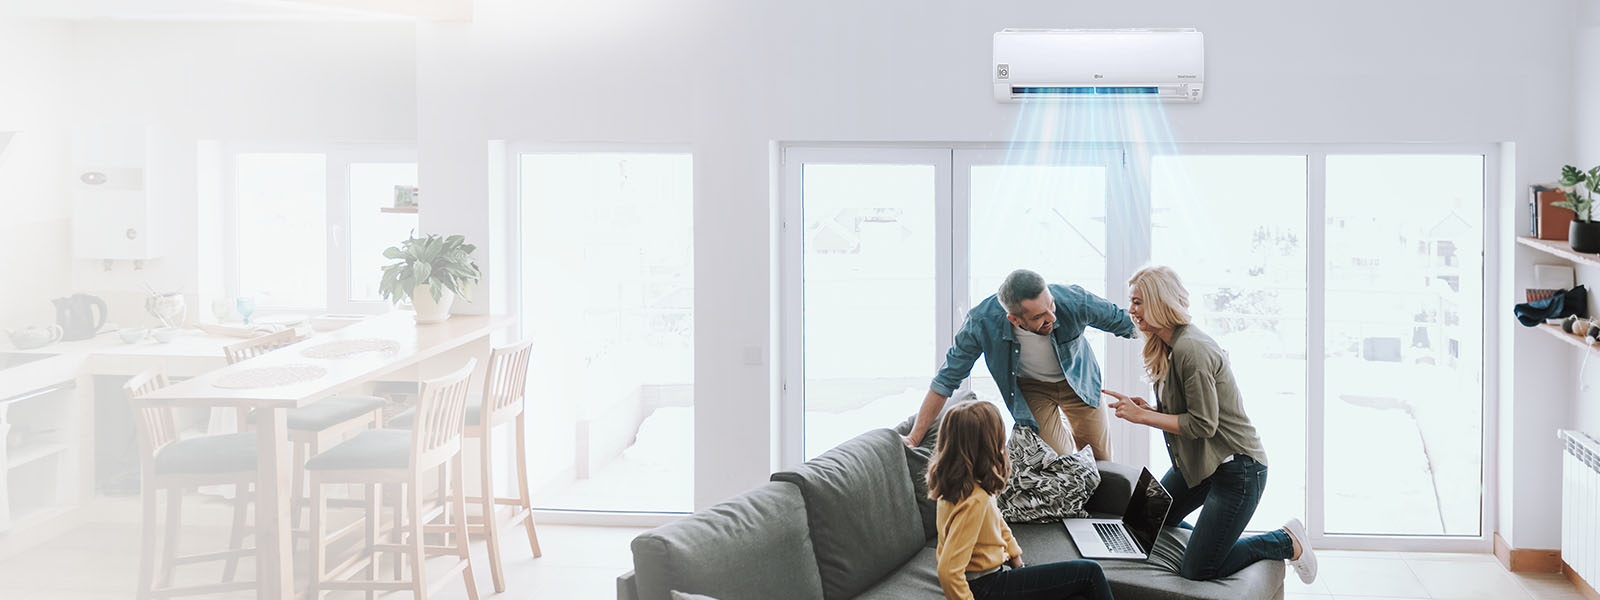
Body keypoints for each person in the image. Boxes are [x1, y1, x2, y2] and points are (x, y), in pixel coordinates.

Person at [1103, 265, 1317, 583]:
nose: (1131, 310)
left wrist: (1143, 417)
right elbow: (1190, 410)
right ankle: (1209, 542)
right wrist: (1150, 409)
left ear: (1160, 302)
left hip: (1237, 470)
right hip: (1200, 462)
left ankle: (1285, 540)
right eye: (1131, 302)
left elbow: (1203, 424)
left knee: (1198, 570)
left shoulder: (1192, 349)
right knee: (1141, 521)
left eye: (1138, 302)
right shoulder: (1167, 345)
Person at [907, 269, 1137, 460]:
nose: (1051, 318)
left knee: (1100, 460)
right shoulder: (981, 322)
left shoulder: (1074, 300)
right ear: (1014, 319)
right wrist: (914, 438)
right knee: (1056, 461)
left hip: (1079, 382)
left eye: (1051, 306)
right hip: (1032, 388)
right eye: (1038, 317)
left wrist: (1162, 332)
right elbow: (946, 380)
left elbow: (1127, 323)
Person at [929, 400, 1115, 600]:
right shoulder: (975, 500)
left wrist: (1016, 560)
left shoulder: (963, 486)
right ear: (989, 444)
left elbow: (998, 524)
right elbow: (948, 571)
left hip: (990, 578)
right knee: (1090, 573)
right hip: (986, 586)